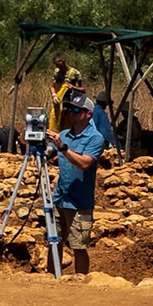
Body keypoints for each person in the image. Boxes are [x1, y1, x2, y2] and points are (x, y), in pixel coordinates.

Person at [48, 89, 106, 276]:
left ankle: (80, 283)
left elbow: (84, 164)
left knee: (79, 246)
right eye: (69, 110)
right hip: (60, 198)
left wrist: (62, 148)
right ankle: (53, 278)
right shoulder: (63, 134)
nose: (71, 114)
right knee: (54, 241)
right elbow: (50, 153)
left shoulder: (95, 138)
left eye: (76, 110)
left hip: (80, 202)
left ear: (88, 114)